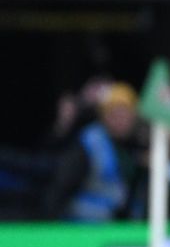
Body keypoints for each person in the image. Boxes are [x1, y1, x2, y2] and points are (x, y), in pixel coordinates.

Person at [43, 82, 144, 221]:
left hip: (118, 227)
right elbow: (61, 186)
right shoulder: (89, 143)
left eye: (126, 114)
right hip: (82, 226)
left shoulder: (136, 147)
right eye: (115, 114)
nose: (121, 120)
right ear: (103, 116)